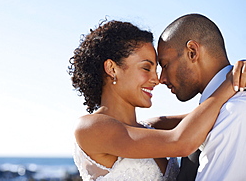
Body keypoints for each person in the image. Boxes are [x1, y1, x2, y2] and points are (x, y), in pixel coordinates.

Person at [68, 19, 245, 181]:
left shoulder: (153, 127)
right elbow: (181, 142)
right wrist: (231, 81)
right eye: (146, 68)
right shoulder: (90, 128)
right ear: (112, 68)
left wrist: (241, 73)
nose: (157, 79)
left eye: (159, 68)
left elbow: (213, 112)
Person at [153, 13, 246, 180]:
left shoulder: (234, 111)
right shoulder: (222, 109)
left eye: (165, 65)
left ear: (192, 52)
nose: (161, 79)